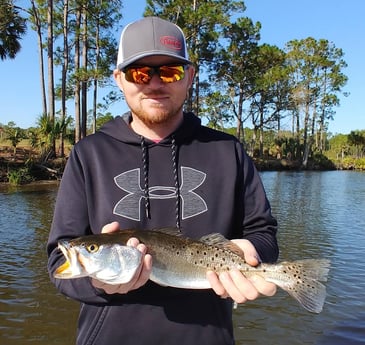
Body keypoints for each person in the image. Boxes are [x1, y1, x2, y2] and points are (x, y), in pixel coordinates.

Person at [47, 16, 279, 345]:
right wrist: (98, 283)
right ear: (119, 79)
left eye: (169, 71)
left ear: (189, 77)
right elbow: (59, 261)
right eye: (140, 73)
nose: (155, 84)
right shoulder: (88, 154)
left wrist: (252, 252)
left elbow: (265, 235)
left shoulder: (228, 151)